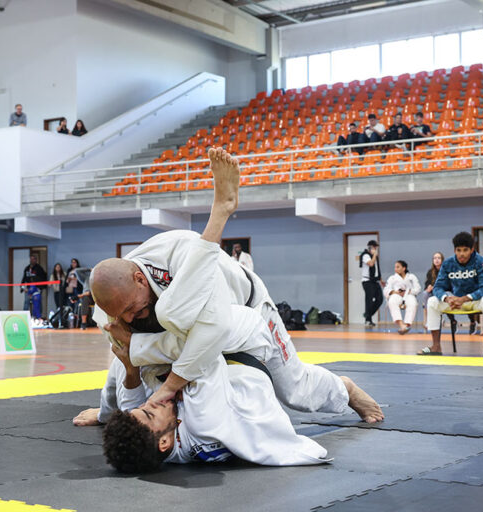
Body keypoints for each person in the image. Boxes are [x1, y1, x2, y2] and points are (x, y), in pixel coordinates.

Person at [76, 147, 382, 425]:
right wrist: (107, 413)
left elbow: (211, 331)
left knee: (294, 390)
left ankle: (346, 390)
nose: (128, 317)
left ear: (139, 279)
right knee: (134, 347)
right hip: (195, 327)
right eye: (121, 314)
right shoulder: (114, 306)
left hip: (246, 308)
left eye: (131, 308)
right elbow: (120, 364)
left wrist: (167, 389)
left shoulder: (179, 249)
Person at [100, 307, 330, 472]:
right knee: (299, 391)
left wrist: (130, 368)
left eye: (143, 408)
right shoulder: (204, 420)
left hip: (227, 368)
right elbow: (206, 348)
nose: (149, 405)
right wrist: (135, 342)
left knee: (133, 367)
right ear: (164, 443)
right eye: (149, 413)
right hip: (247, 343)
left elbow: (130, 406)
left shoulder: (159, 443)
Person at [420, 231, 483, 357]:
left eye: (465, 250)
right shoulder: (448, 264)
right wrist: (447, 299)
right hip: (455, 302)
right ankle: (436, 346)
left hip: (474, 301)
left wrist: (465, 298)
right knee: (432, 301)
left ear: (472, 249)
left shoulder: (481, 262)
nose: (461, 254)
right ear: (454, 250)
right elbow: (438, 287)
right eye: (458, 250)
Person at [384, 260, 421, 334]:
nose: (395, 269)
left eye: (398, 267)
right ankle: (401, 325)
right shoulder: (392, 278)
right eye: (395, 267)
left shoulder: (411, 277)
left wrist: (409, 291)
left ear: (404, 268)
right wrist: (395, 292)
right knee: (392, 301)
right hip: (397, 295)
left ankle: (407, 325)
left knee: (413, 303)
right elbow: (386, 289)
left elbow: (418, 288)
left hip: (409, 295)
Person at [360, 240, 383, 327]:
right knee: (369, 300)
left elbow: (377, 269)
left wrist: (380, 280)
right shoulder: (365, 255)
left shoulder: (374, 257)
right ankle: (368, 319)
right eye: (374, 247)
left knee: (380, 299)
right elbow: (371, 264)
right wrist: (374, 255)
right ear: (370, 247)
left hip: (374, 281)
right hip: (367, 281)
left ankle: (367, 314)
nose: (376, 249)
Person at [420, 251, 444, 331]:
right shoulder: (430, 272)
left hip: (443, 292)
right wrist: (428, 287)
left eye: (439, 258)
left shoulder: (445, 270)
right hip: (432, 293)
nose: (436, 260)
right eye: (435, 258)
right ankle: (428, 319)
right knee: (425, 293)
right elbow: (427, 283)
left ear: (442, 260)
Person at [20, 254, 47, 319]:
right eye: (31, 259)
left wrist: (40, 288)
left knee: (37, 303)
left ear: (36, 260)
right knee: (26, 302)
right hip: (28, 288)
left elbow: (43, 278)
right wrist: (22, 287)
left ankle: (38, 317)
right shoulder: (27, 268)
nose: (32, 260)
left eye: (33, 259)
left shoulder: (39, 268)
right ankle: (24, 316)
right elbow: (24, 278)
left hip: (36, 289)